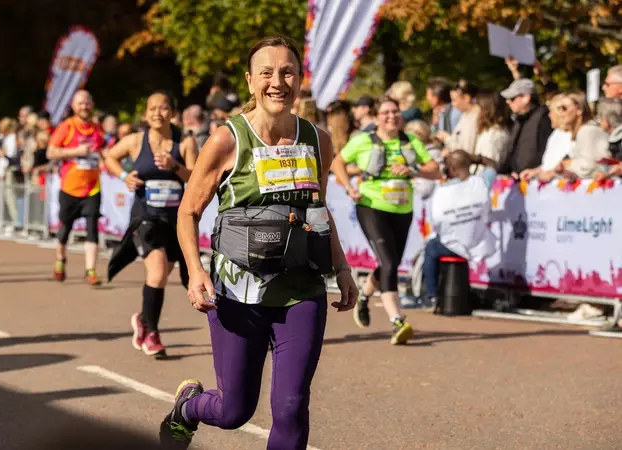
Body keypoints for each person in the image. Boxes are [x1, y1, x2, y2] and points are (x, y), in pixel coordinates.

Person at [162, 36, 358, 449]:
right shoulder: (227, 139)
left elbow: (318, 211)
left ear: (300, 79)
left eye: (287, 72)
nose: (277, 82)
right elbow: (187, 212)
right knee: (234, 411)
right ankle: (188, 407)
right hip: (237, 290)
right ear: (250, 81)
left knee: (290, 406)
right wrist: (196, 271)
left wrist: (341, 268)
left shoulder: (318, 140)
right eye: (266, 73)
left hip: (301, 289)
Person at [331, 96, 440, 342]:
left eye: (395, 112)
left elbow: (436, 171)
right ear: (377, 116)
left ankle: (365, 297)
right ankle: (397, 321)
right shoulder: (362, 140)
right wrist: (349, 187)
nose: (391, 116)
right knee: (390, 263)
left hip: (402, 209)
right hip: (372, 206)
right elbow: (337, 161)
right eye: (386, 113)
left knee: (388, 264)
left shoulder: (410, 141)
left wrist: (414, 170)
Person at [105, 91, 198, 358]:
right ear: (146, 114)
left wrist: (174, 166)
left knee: (160, 276)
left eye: (164, 107)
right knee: (157, 272)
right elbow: (109, 157)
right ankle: (153, 334)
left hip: (174, 221)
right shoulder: (135, 141)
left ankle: (144, 320)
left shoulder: (186, 143)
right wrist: (124, 176)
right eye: (152, 108)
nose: (158, 112)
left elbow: (195, 176)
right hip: (145, 217)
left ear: (173, 112)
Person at [424, 150, 499, 307]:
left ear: (451, 169)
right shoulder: (482, 182)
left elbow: (437, 222)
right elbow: (492, 165)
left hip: (453, 245)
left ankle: (431, 295)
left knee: (431, 248)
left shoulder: (443, 190)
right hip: (478, 242)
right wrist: (477, 158)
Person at [47, 90, 106, 286]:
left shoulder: (97, 128)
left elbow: (102, 151)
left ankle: (91, 271)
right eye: (81, 103)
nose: (85, 107)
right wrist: (76, 151)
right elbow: (51, 152)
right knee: (66, 228)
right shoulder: (67, 126)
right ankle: (60, 259)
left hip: (92, 187)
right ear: (73, 106)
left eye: (87, 103)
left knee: (92, 229)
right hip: (70, 187)